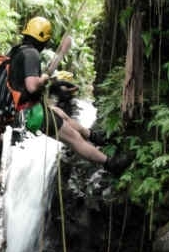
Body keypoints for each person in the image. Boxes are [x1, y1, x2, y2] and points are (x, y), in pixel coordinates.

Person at [9, 16, 132, 175]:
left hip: (24, 110)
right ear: (43, 39)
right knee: (74, 138)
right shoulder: (31, 54)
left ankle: (94, 137)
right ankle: (111, 164)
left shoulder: (18, 51)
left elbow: (35, 78)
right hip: (32, 114)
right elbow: (32, 86)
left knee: (61, 114)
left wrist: (62, 52)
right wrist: (44, 78)